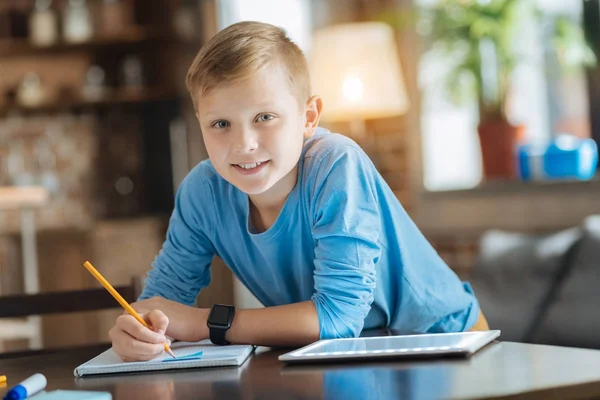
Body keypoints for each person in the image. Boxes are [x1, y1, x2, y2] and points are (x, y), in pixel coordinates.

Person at [109, 21, 489, 361]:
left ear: (308, 117)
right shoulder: (201, 192)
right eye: (220, 123)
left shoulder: (336, 165)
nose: (244, 143)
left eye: (265, 118)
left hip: (445, 343)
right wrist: (139, 331)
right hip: (344, 356)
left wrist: (205, 323)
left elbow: (337, 319)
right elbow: (158, 306)